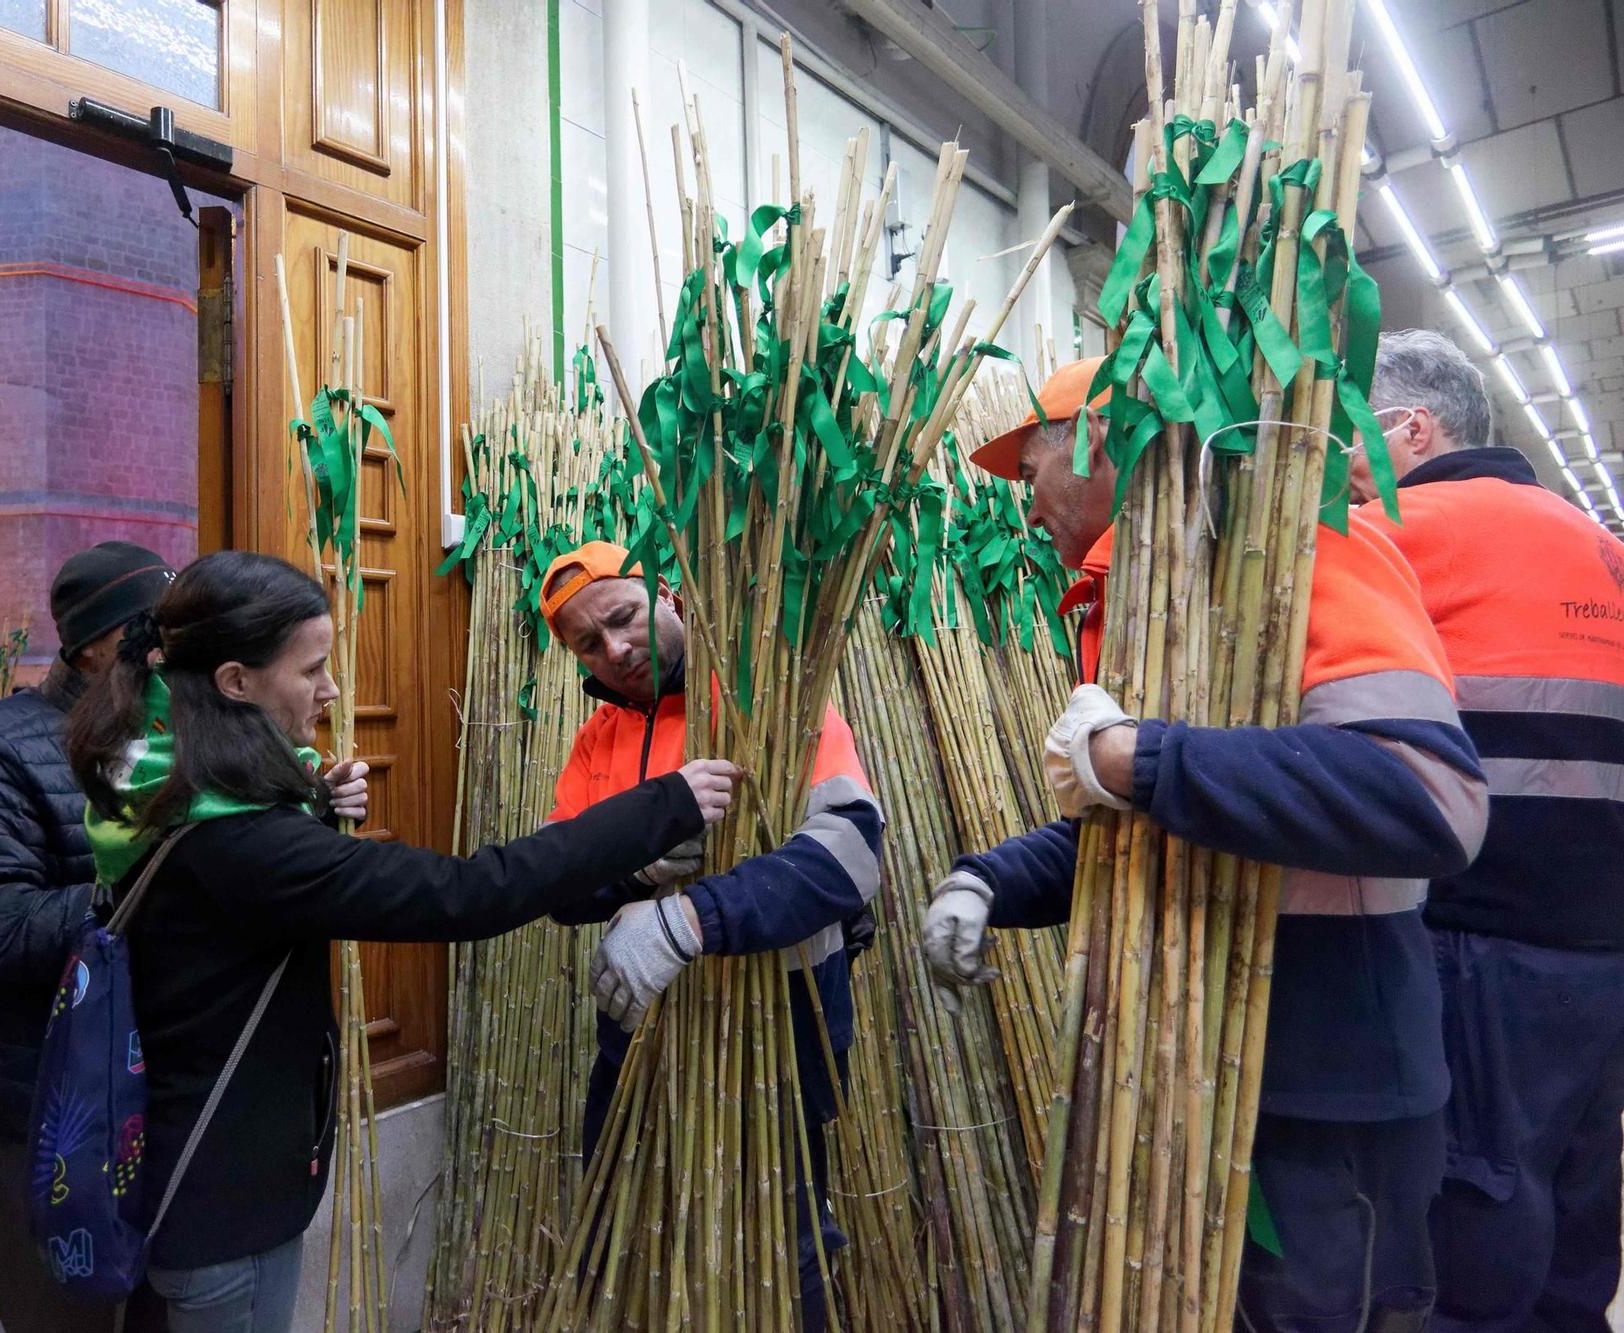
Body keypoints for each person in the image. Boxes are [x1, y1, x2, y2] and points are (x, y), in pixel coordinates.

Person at [920, 358, 1489, 1333]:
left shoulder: (1303, 556)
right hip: (1194, 1070)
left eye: (1030, 474)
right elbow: (1155, 822)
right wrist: (987, 878)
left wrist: (1134, 754)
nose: (1022, 508)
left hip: (1323, 1093)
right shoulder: (1140, 601)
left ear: (1102, 441)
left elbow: (1425, 798)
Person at [64, 549, 736, 1332]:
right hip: (222, 1200)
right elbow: (467, 893)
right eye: (312, 668)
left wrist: (311, 804)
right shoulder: (239, 844)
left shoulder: (163, 783)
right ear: (235, 682)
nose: (332, 688)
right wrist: (661, 805)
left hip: (189, 1171)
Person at [1348, 329, 1624, 1332]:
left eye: (1350, 435)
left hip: (1477, 940)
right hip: (1599, 951)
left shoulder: (1393, 530)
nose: (1339, 465)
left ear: (1410, 429)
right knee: (1575, 1225)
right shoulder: (1593, 542)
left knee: (1475, 1229)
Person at [537, 540, 885, 1332]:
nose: (615, 650)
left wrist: (689, 918)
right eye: (589, 643)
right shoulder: (596, 740)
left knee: (787, 1239)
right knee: (630, 1228)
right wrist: (633, 865)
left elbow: (851, 852)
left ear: (669, 594)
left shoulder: (771, 697)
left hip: (780, 1024)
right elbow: (556, 880)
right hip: (644, 1036)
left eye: (622, 618)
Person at [0, 541, 180, 1333]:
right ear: (99, 641)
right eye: (157, 627)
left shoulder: (180, 731)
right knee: (65, 1312)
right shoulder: (0, 745)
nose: (175, 647)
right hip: (57, 1102)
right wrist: (143, 886)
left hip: (167, 1084)